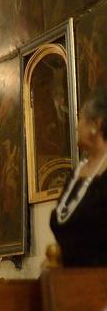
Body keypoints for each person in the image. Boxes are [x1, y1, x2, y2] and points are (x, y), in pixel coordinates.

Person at [50, 92, 107, 266]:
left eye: (81, 119)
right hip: (70, 280)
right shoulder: (76, 175)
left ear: (95, 125)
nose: (76, 126)